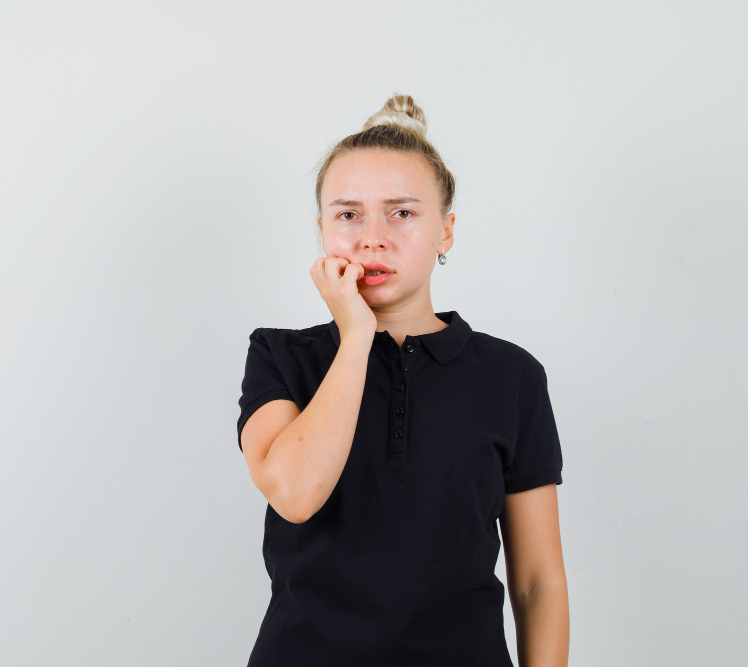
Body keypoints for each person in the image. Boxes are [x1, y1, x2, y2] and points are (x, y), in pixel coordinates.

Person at [236, 93, 568, 666]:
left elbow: (539, 580)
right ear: (322, 231)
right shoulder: (279, 356)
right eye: (348, 214)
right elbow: (294, 493)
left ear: (446, 231)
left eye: (402, 212)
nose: (372, 238)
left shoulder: (512, 376)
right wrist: (358, 334)